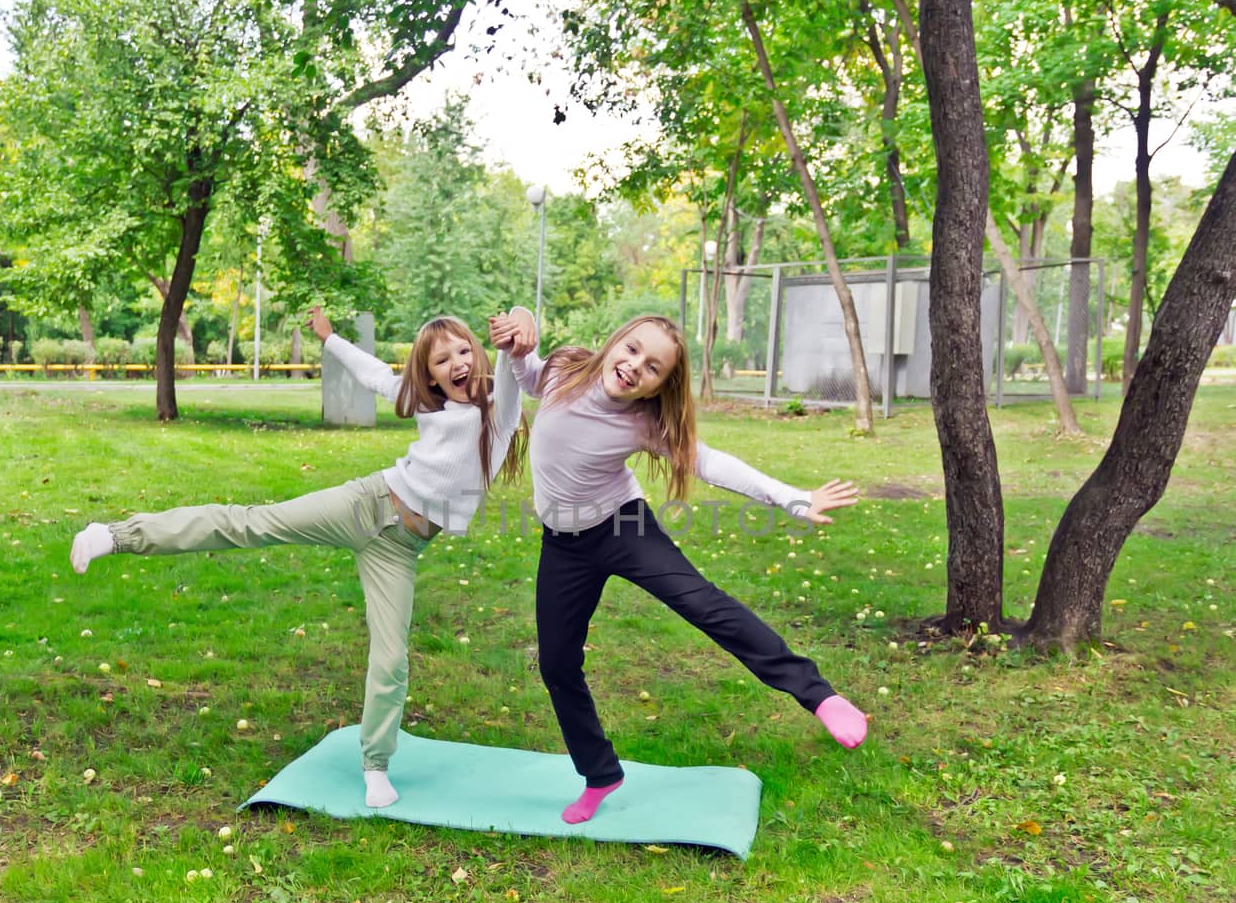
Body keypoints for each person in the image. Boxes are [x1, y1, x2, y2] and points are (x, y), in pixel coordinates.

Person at [70, 307, 528, 809]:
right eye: (443, 360)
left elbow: (516, 358)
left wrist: (517, 330)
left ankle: (375, 765)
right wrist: (330, 339)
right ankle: (115, 535)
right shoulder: (426, 405)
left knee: (391, 659)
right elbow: (375, 375)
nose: (457, 363)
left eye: (464, 351)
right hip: (366, 505)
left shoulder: (499, 410)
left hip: (399, 549)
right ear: (431, 374)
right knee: (249, 522)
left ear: (481, 356)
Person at [488, 310, 867, 824]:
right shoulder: (564, 369)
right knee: (556, 664)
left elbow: (709, 461)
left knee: (703, 603)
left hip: (623, 528)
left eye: (653, 368)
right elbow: (526, 372)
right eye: (633, 349)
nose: (634, 366)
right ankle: (601, 774)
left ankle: (819, 696)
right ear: (615, 339)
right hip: (563, 545)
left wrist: (790, 498)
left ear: (658, 388)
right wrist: (519, 331)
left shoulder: (642, 423)